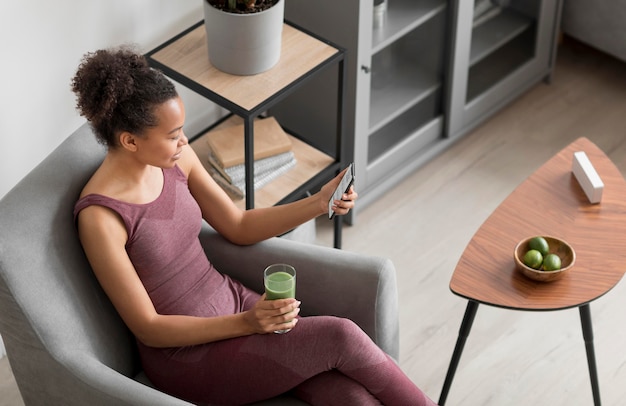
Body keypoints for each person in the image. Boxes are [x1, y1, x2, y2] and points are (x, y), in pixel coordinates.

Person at [71, 46, 437, 406]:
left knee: (346, 394)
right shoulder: (101, 217)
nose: (184, 141)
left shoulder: (177, 161)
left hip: (237, 305)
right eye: (172, 135)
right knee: (340, 335)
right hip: (188, 357)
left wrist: (318, 202)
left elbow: (238, 225)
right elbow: (148, 327)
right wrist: (249, 323)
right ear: (130, 140)